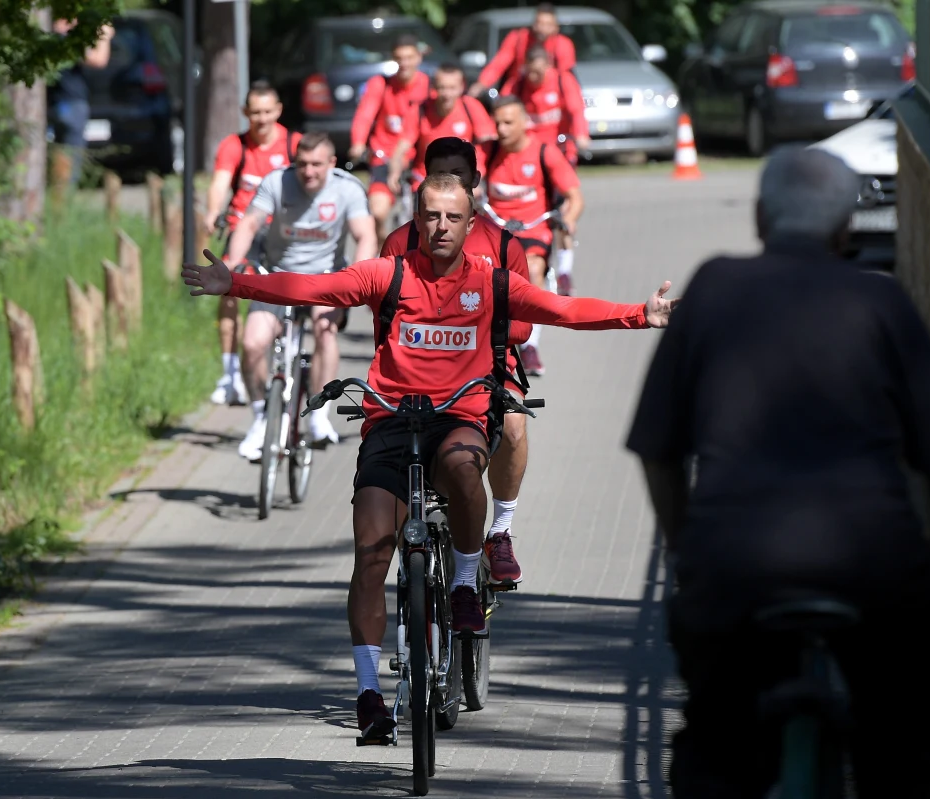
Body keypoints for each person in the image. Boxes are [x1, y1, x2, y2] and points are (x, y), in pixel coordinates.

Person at [183, 171, 677, 740]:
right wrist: (237, 284)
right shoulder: (388, 273)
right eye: (431, 216)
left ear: (471, 224)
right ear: (416, 220)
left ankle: (465, 583)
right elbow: (317, 288)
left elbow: (561, 308)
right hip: (391, 421)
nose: (441, 226)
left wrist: (641, 314)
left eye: (453, 217)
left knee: (465, 470)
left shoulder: (492, 282)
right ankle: (369, 695)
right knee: (371, 555)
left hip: (458, 416)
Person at [625, 146, 930, 799]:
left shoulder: (712, 288)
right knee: (909, 738)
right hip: (876, 568)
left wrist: (685, 547)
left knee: (716, 747)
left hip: (734, 568)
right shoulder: (883, 301)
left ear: (760, 217)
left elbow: (657, 450)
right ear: (846, 229)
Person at [381, 136, 531, 586]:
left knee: (514, 425)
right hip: (417, 368)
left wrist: (474, 325)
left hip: (488, 363)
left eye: (459, 176)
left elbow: (523, 326)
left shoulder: (503, 244)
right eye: (438, 176)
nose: (449, 186)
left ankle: (499, 530)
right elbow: (385, 317)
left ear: (475, 182)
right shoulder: (399, 242)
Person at [220, 132, 377, 458]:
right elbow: (249, 224)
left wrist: (357, 280)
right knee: (253, 343)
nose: (308, 172)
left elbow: (365, 235)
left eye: (317, 164)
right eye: (302, 164)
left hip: (326, 279)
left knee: (325, 330)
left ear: (332, 163)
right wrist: (233, 264)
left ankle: (319, 415)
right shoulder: (277, 182)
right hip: (279, 277)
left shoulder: (347, 188)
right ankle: (262, 416)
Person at [204, 81, 301, 407]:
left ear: (278, 111)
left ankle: (287, 352)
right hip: (243, 229)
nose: (261, 119)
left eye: (267, 111)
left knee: (288, 290)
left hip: (285, 232)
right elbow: (220, 181)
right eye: (255, 112)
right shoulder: (235, 145)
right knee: (228, 290)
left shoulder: (293, 144)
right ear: (245, 112)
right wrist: (213, 211)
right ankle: (230, 374)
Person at [484, 96, 585, 374]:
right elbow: (467, 178)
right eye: (497, 123)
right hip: (494, 229)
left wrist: (569, 220)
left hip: (533, 230)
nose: (501, 129)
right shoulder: (488, 151)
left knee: (533, 270)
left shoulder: (544, 152)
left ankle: (529, 345)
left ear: (525, 123)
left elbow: (575, 197)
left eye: (508, 123)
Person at [348, 34, 431, 241]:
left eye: (409, 57)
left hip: (418, 156)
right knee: (378, 211)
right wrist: (358, 142)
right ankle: (382, 242)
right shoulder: (381, 84)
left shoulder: (428, 85)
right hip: (384, 154)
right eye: (399, 58)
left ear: (418, 57)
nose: (405, 63)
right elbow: (365, 114)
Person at [385, 64, 496, 196]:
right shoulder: (420, 110)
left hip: (461, 184)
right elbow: (401, 148)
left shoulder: (471, 107)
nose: (447, 94)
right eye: (442, 88)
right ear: (434, 87)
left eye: (452, 88)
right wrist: (394, 173)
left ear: (462, 87)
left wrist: (476, 177)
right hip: (427, 183)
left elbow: (488, 144)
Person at [47, 18, 113, 187]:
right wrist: (105, 36)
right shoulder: (65, 41)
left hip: (52, 105)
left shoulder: (48, 38)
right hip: (71, 104)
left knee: (57, 155)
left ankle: (56, 191)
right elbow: (98, 60)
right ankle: (63, 196)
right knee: (71, 158)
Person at [501, 45, 590, 165]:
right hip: (530, 150)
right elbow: (501, 111)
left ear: (548, 66)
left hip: (559, 147)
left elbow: (576, 110)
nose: (532, 77)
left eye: (537, 72)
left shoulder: (563, 81)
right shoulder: (516, 86)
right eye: (529, 71)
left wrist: (581, 134)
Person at [468, 3, 576, 100]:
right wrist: (482, 83)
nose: (542, 28)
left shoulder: (563, 44)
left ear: (556, 27)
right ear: (533, 24)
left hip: (550, 94)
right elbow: (499, 63)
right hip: (519, 92)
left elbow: (565, 76)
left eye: (548, 25)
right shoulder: (518, 39)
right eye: (539, 23)